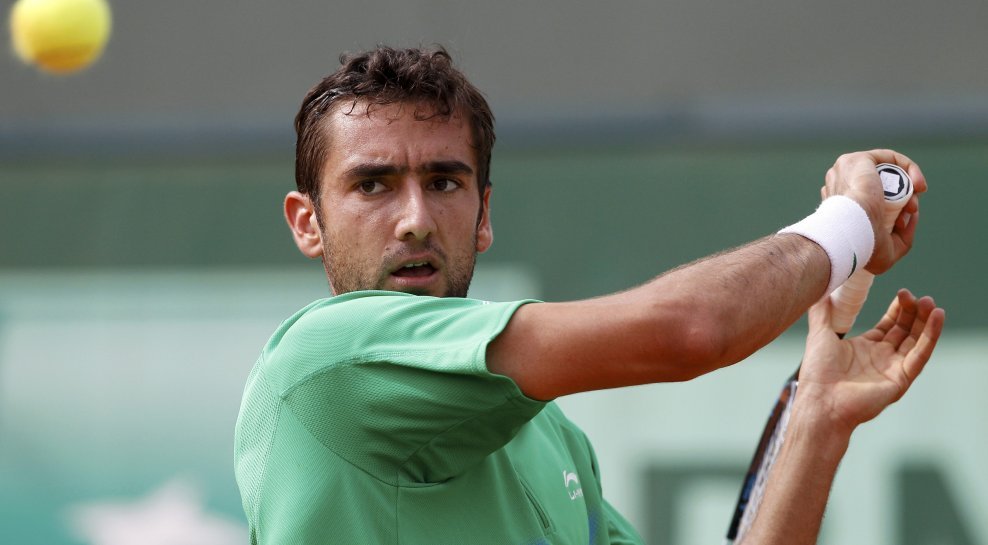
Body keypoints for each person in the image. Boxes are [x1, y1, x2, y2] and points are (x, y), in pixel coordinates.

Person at [234, 46, 945, 544]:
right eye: (372, 185)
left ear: (483, 216)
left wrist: (817, 419)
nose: (416, 216)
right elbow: (690, 329)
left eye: (445, 182)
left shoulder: (548, 436)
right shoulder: (319, 364)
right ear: (308, 223)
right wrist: (847, 224)